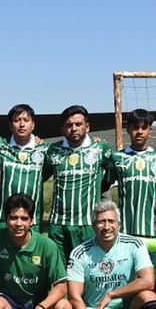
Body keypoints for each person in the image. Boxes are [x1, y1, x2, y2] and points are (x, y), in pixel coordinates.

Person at [106, 108, 156, 307]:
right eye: (136, 127)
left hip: (153, 232)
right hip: (126, 231)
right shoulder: (117, 158)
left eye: (144, 128)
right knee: (125, 278)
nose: (140, 132)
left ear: (150, 130)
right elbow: (104, 184)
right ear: (128, 129)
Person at [44, 105, 115, 261]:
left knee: (89, 269)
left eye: (78, 124)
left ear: (87, 127)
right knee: (60, 271)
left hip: (88, 224)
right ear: (62, 128)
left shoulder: (100, 149)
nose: (74, 128)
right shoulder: (53, 150)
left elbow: (113, 171)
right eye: (69, 125)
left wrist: (102, 188)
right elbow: (41, 175)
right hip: (58, 225)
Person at [0, 105, 49, 231]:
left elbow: (48, 172)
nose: (22, 124)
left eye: (26, 120)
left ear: (33, 125)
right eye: (17, 120)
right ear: (10, 126)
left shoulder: (44, 149)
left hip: (32, 219)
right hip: (2, 218)